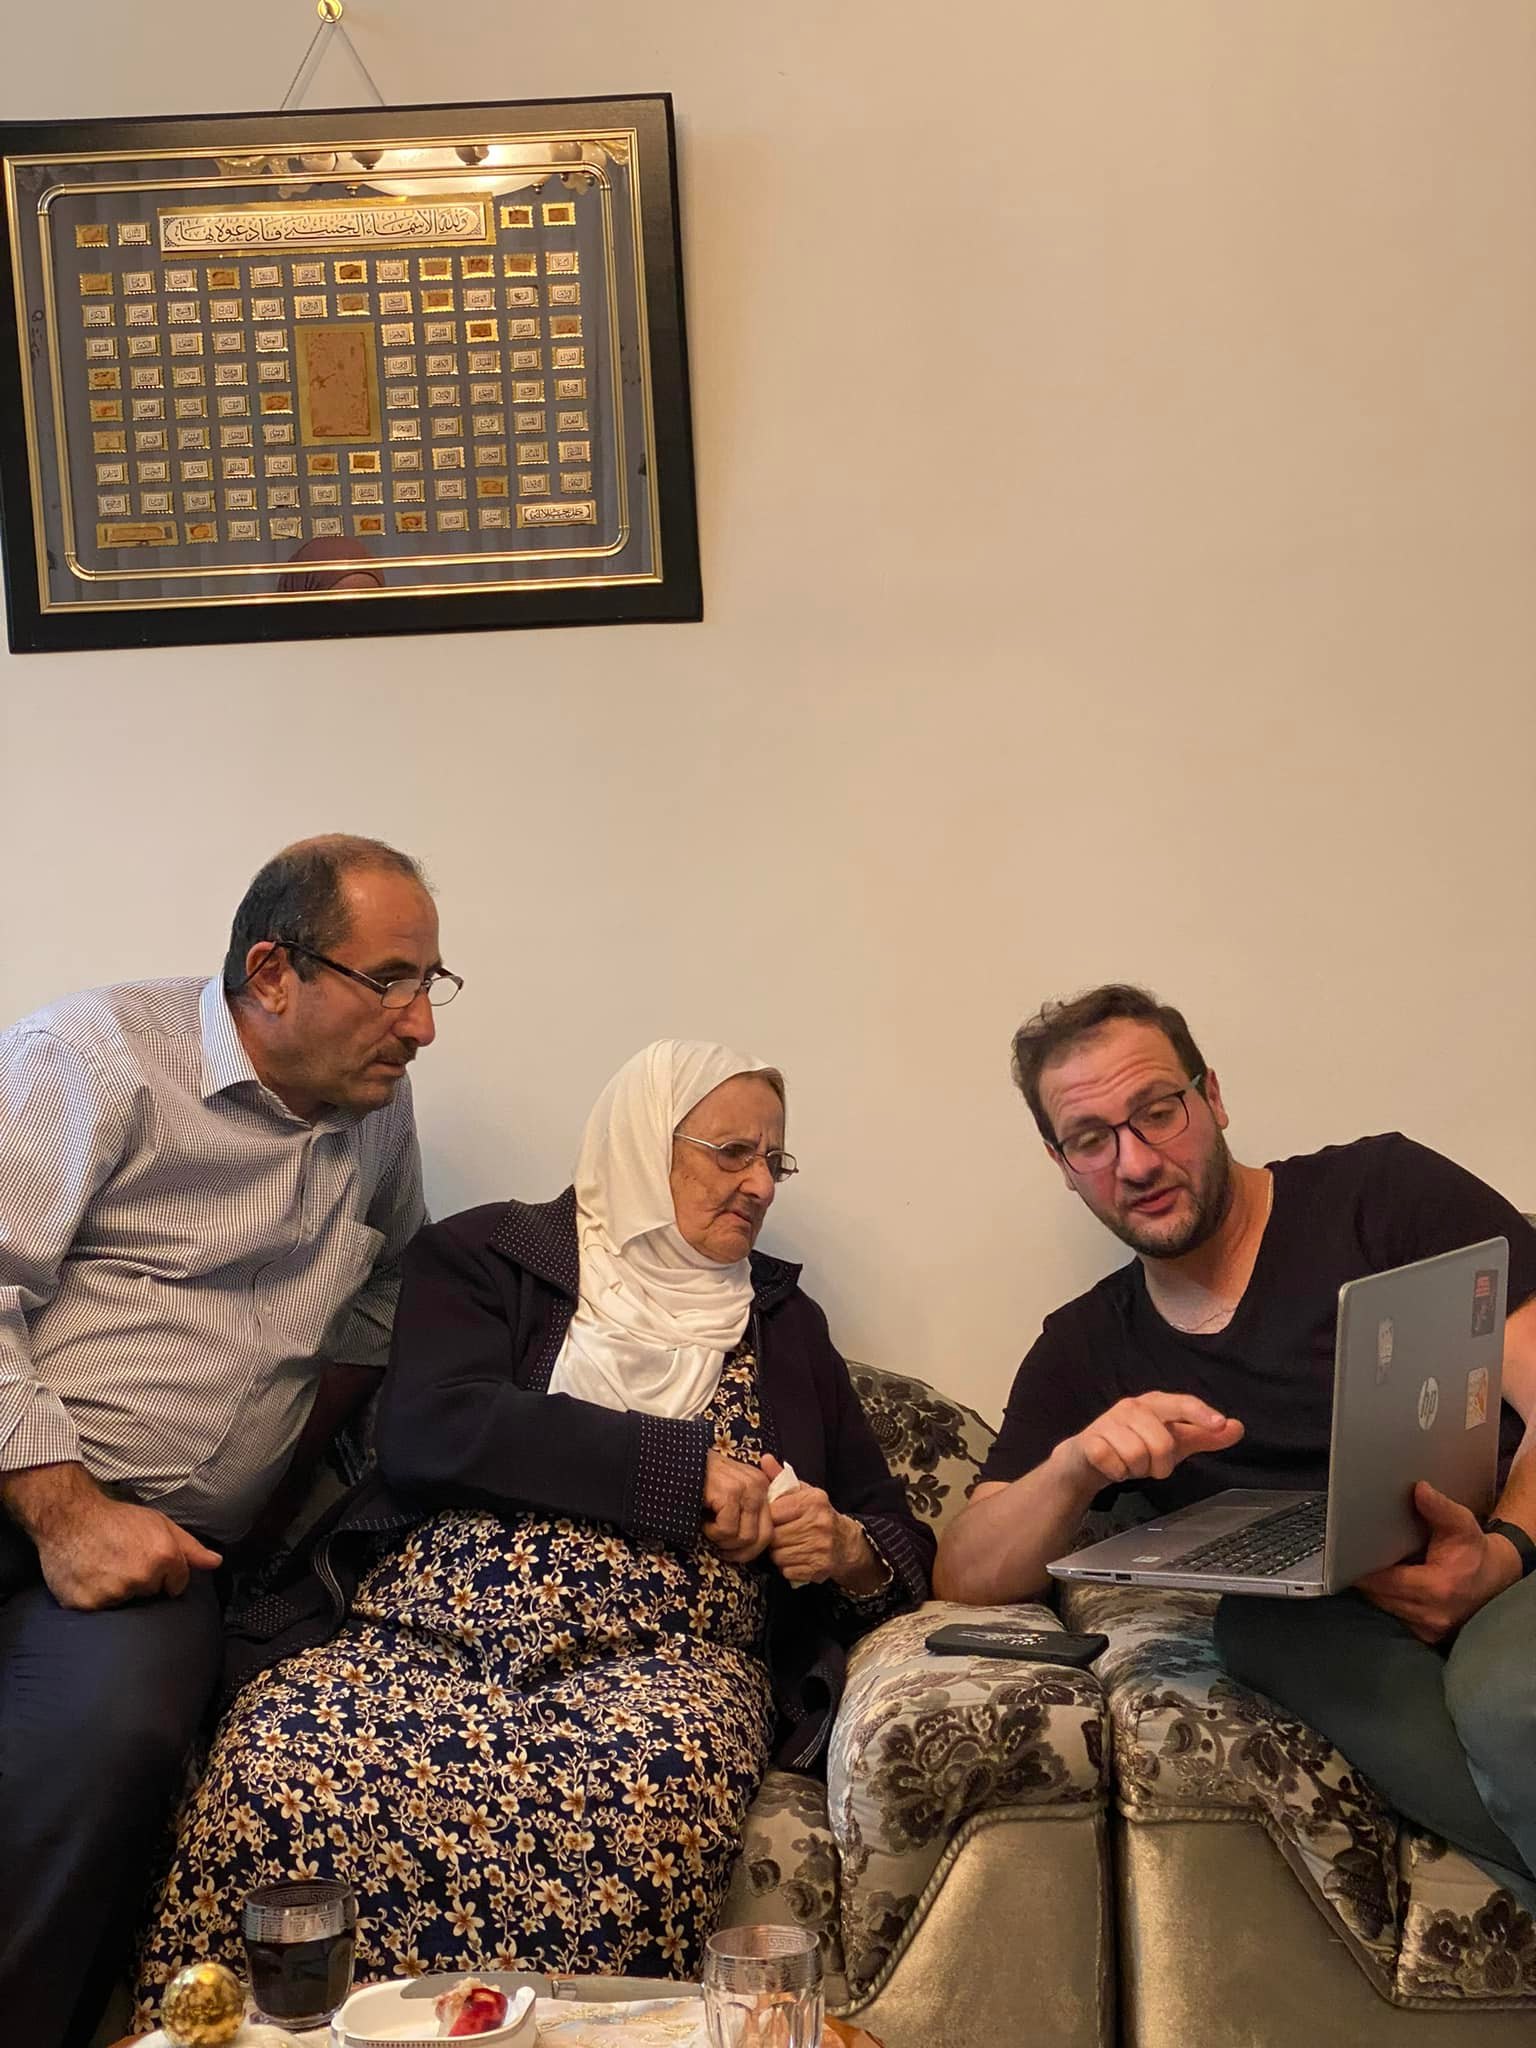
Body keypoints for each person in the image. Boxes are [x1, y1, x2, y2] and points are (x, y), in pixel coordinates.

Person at [137, 1041, 933, 2014]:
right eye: (733, 1152)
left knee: (647, 1783)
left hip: (664, 1665)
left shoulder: (783, 1322)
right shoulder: (489, 1256)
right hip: (420, 1636)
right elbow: (431, 1429)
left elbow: (893, 1530)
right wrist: (680, 1467)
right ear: (642, 1139)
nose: (761, 1184)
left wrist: (846, 1548)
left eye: (776, 1160)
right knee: (278, 1750)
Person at [934, 984, 1536, 1907]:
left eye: (1158, 1111)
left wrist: (1503, 1553)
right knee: (1259, 1629)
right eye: (1091, 1139)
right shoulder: (1086, 1347)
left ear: (1212, 1096)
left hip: (1509, 1551)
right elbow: (965, 1571)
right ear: (1062, 1164)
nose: (1136, 1162)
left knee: (1506, 1701)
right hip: (1332, 1623)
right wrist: (1075, 1466)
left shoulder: (1385, 1193)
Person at [0, 834, 457, 2048]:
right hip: (25, 1477)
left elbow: (385, 1295)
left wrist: (277, 1477)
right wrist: (66, 1509)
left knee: (117, 1736)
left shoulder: (376, 1115)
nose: (420, 1026)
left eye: (430, 984)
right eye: (390, 981)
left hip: (168, 1545)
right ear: (272, 971)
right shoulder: (91, 1057)